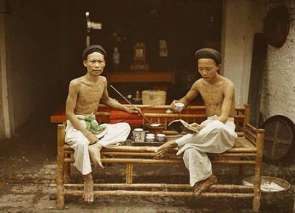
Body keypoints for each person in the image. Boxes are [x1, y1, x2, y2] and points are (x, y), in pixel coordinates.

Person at [155, 48, 237, 195]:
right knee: (190, 149)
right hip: (206, 128)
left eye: (208, 69)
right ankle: (208, 178)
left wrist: (203, 127)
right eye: (201, 69)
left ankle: (175, 143)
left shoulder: (227, 85)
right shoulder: (199, 83)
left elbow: (223, 117)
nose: (204, 73)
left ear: (218, 67)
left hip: (223, 129)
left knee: (216, 127)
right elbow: (185, 100)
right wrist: (177, 105)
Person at [65, 45, 138, 202]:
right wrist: (87, 134)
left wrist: (126, 108)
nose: (97, 65)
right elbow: (69, 113)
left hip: (93, 124)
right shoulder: (76, 83)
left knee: (125, 127)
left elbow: (106, 100)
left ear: (104, 63)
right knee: (81, 144)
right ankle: (88, 179)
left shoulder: (103, 80)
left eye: (100, 61)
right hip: (77, 125)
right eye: (93, 61)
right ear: (85, 63)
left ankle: (97, 146)